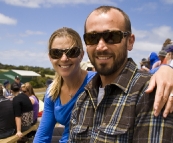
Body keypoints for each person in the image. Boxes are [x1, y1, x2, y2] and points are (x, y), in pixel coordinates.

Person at [69, 6, 173, 142]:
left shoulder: (151, 92)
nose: (101, 46)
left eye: (111, 36)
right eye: (92, 38)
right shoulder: (83, 99)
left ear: (130, 41)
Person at [33, 27, 96, 143]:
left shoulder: (97, 82)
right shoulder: (52, 92)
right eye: (56, 53)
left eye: (71, 52)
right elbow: (42, 135)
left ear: (81, 55)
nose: (64, 58)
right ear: (50, 57)